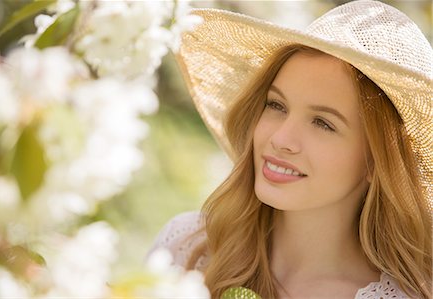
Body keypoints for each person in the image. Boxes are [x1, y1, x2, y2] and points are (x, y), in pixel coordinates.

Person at [149, 1, 432, 298]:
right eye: (276, 105)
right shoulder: (187, 249)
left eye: (322, 123)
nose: (281, 138)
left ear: (376, 161)